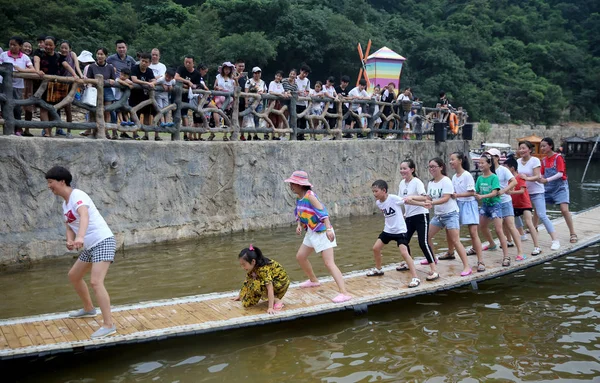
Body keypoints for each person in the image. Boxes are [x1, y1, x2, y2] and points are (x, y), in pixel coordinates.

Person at [45, 166, 117, 339]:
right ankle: (88, 309)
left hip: (103, 241)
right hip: (90, 246)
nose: (49, 186)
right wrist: (70, 240)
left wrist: (81, 237)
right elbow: (69, 225)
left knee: (96, 282)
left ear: (62, 181)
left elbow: (84, 216)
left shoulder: (78, 195)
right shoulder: (65, 204)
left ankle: (109, 325)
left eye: (50, 182)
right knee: (74, 276)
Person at [285, 170, 351, 303]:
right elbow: (300, 213)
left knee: (328, 263)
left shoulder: (310, 197)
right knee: (301, 257)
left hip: (322, 232)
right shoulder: (299, 198)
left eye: (293, 184)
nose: (291, 186)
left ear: (300, 185)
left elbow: (323, 213)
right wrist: (299, 225)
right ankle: (313, 280)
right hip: (311, 231)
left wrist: (328, 229)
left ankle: (344, 293)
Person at [421, 158, 472, 277]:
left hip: (450, 214)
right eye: (430, 167)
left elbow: (446, 198)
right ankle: (432, 258)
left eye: (434, 166)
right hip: (438, 215)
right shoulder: (431, 183)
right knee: (426, 237)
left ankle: (466, 267)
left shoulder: (446, 181)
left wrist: (431, 203)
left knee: (455, 240)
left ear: (441, 167)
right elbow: (428, 197)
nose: (431, 169)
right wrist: (416, 200)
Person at [367, 180, 421, 288]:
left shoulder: (393, 198)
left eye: (376, 191)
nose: (374, 194)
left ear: (384, 190)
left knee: (404, 253)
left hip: (400, 230)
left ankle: (415, 278)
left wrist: (422, 204)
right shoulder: (378, 203)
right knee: (376, 248)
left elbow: (408, 202)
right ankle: (378, 269)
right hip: (388, 230)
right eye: (373, 191)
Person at [481, 148, 527, 259]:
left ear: (496, 158)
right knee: (482, 225)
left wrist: (503, 190)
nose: (489, 158)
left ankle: (520, 252)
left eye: (491, 156)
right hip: (491, 202)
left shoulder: (503, 170)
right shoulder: (487, 170)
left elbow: (514, 181)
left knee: (510, 226)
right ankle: (492, 243)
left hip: (504, 201)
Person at [398, 159, 439, 280]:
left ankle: (434, 269)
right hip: (409, 217)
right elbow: (402, 200)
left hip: (421, 216)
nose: (402, 171)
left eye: (405, 168)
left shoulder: (417, 182)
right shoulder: (402, 183)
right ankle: (408, 263)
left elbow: (425, 197)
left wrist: (412, 198)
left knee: (423, 242)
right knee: (403, 241)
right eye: (401, 168)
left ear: (412, 169)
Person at [517, 140, 560, 250]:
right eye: (520, 148)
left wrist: (527, 178)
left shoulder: (535, 160)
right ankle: (522, 235)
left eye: (523, 148)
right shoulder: (517, 161)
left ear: (530, 150)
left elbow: (537, 176)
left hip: (536, 192)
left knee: (542, 215)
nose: (521, 150)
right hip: (523, 192)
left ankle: (555, 240)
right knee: (515, 213)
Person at [34, 36, 80, 137]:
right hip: (42, 85)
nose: (48, 47)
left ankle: (49, 131)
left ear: (54, 46)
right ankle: (46, 131)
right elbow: (36, 62)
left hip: (55, 86)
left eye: (50, 45)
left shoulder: (58, 56)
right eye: (46, 44)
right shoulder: (39, 53)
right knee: (43, 108)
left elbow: (67, 66)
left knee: (52, 109)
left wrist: (75, 75)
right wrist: (38, 71)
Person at [447, 152, 486, 272]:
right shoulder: (454, 177)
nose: (450, 162)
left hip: (469, 205)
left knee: (473, 232)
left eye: (452, 159)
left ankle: (481, 261)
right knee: (450, 230)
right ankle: (450, 252)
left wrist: (457, 195)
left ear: (460, 161)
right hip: (457, 205)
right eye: (450, 159)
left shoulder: (467, 175)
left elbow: (472, 192)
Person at [475, 155, 512, 266]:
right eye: (479, 163)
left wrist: (482, 197)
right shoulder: (480, 178)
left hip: (495, 205)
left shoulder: (494, 177)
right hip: (485, 205)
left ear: (489, 164)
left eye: (483, 163)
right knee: (482, 226)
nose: (480, 165)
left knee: (498, 230)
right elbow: (476, 191)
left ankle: (506, 256)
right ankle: (492, 244)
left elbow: (495, 192)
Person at [540, 137, 577, 243]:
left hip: (560, 187)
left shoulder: (558, 158)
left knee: (564, 210)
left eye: (544, 146)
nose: (542, 148)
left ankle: (573, 233)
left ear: (550, 146)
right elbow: (541, 174)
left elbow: (560, 173)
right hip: (547, 187)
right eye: (541, 146)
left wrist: (546, 180)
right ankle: (534, 227)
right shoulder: (543, 160)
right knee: (539, 206)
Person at [232, 245, 290, 314]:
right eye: (241, 265)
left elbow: (270, 288)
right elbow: (247, 281)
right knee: (246, 303)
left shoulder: (263, 269)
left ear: (253, 261)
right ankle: (271, 298)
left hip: (280, 284)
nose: (243, 267)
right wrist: (240, 295)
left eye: (244, 265)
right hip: (273, 283)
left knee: (255, 284)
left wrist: (270, 307)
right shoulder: (253, 267)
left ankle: (277, 300)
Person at [504, 157, 542, 255]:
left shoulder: (520, 177)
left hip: (524, 204)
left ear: (512, 168)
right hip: (514, 204)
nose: (504, 170)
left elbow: (522, 190)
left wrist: (511, 192)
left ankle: (537, 246)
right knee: (506, 222)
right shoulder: (508, 179)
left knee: (529, 223)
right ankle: (509, 240)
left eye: (506, 167)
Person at [0, 36, 36, 133]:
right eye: (10, 44)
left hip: (18, 86)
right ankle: (7, 129)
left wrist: (21, 70)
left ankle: (18, 128)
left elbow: (32, 69)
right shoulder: (4, 55)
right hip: (4, 85)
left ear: (20, 46)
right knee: (5, 106)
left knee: (17, 108)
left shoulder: (24, 57)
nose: (12, 47)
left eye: (14, 45)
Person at [86, 48, 118, 139]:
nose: (100, 56)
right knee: (93, 111)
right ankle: (93, 131)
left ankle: (105, 131)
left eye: (102, 54)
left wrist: (111, 81)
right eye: (98, 54)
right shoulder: (92, 66)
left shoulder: (110, 67)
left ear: (106, 56)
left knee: (107, 111)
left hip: (107, 90)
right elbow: (89, 78)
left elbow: (113, 79)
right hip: (95, 90)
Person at [130, 52, 159, 141]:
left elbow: (154, 80)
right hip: (135, 96)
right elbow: (134, 79)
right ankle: (135, 133)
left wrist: (152, 83)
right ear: (140, 60)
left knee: (147, 115)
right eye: (142, 61)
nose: (144, 63)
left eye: (146, 62)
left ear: (149, 63)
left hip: (145, 96)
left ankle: (146, 134)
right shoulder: (134, 68)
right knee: (135, 114)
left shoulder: (149, 71)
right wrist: (147, 83)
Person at [175, 55, 202, 141]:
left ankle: (185, 134)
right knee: (177, 114)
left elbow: (196, 87)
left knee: (184, 115)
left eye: (189, 62)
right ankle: (175, 133)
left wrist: (188, 86)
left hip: (189, 97)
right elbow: (176, 78)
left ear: (193, 63)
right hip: (177, 95)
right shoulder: (181, 68)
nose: (187, 64)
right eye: (185, 62)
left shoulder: (197, 74)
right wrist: (187, 82)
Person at [267, 70, 288, 140]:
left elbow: (282, 92)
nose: (278, 77)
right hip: (272, 103)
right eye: (277, 76)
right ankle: (267, 134)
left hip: (278, 103)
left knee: (279, 119)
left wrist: (286, 94)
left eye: (280, 76)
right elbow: (270, 92)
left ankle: (277, 135)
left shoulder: (280, 84)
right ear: (275, 76)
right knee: (272, 119)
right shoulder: (272, 83)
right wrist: (279, 94)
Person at [295, 64, 311, 140]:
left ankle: (301, 134)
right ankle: (295, 134)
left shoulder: (307, 81)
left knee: (303, 120)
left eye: (306, 74)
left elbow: (307, 91)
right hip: (295, 103)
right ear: (300, 71)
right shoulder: (295, 79)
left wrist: (305, 93)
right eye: (304, 73)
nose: (305, 75)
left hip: (303, 103)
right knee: (296, 119)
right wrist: (298, 92)